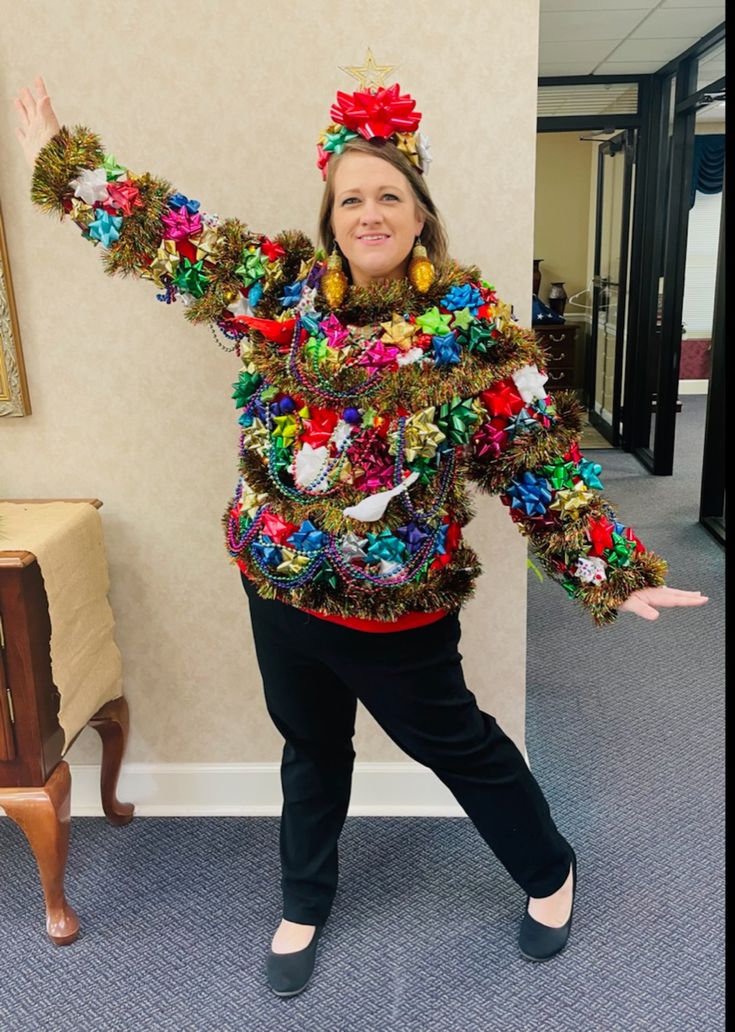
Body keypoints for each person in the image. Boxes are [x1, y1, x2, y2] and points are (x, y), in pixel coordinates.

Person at [14, 72, 708, 998]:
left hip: (397, 607)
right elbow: (169, 240)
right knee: (309, 746)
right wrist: (66, 167)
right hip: (278, 585)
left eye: (389, 195)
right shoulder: (279, 292)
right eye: (352, 198)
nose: (369, 212)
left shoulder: (471, 333)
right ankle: (304, 897)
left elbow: (534, 464)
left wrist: (613, 572)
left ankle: (549, 872)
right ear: (330, 214)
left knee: (455, 744)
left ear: (420, 214)